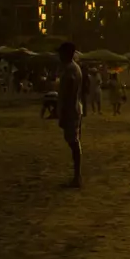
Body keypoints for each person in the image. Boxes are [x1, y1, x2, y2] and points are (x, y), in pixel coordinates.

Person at [57, 42, 84, 188]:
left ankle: (77, 176)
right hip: (73, 109)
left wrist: (63, 113)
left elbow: (69, 94)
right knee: (73, 141)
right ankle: (77, 176)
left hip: (71, 110)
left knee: (74, 142)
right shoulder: (72, 68)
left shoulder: (71, 70)